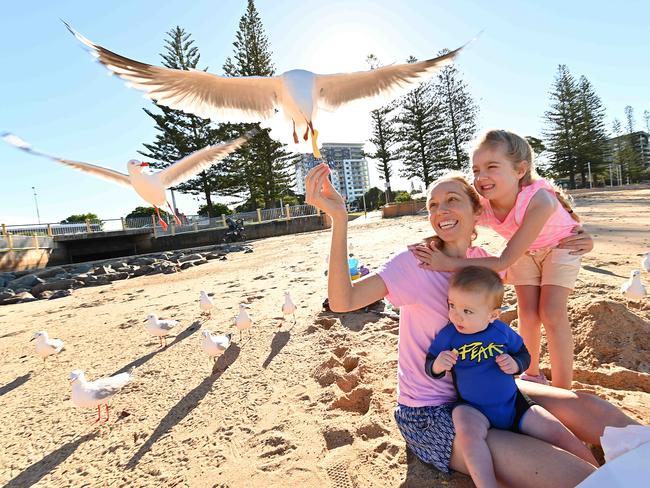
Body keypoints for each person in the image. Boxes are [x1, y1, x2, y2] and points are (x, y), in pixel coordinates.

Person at [304, 162, 639, 487]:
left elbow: (541, 240)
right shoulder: (414, 263)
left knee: (589, 407)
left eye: (452, 200)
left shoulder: (484, 263)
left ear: (478, 211)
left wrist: (583, 240)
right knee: (570, 472)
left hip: (490, 391)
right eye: (433, 204)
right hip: (434, 413)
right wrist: (339, 220)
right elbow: (342, 301)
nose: (441, 210)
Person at [413, 130, 583, 389]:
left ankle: (563, 388)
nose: (481, 177)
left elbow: (503, 262)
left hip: (561, 247)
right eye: (476, 169)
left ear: (520, 170)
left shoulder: (540, 200)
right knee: (527, 313)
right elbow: (456, 221)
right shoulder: (483, 201)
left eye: (492, 167)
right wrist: (430, 242)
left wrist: (448, 264)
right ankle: (531, 373)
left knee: (551, 312)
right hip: (524, 250)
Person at [426, 266, 597, 487]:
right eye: (452, 305)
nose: (456, 315)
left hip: (514, 404)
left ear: (493, 315)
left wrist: (515, 364)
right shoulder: (449, 335)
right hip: (472, 407)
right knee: (467, 433)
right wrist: (438, 364)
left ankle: (600, 468)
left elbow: (523, 354)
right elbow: (430, 363)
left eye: (467, 311)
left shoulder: (501, 332)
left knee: (556, 431)